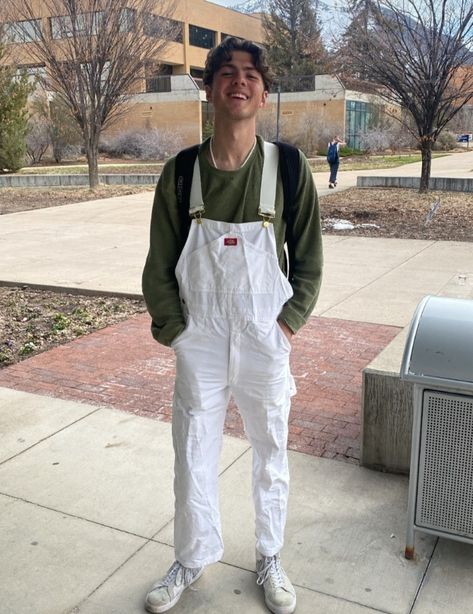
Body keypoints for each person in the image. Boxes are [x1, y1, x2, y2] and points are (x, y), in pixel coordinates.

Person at [142, 36, 323, 614]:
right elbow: (159, 263)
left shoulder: (288, 168)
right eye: (226, 73)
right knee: (192, 448)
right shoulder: (180, 174)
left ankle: (270, 554)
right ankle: (192, 557)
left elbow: (311, 263)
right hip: (201, 337)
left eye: (250, 74)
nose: (238, 82)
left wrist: (286, 325)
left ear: (264, 90)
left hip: (265, 335)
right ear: (210, 87)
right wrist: (176, 330)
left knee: (270, 446)